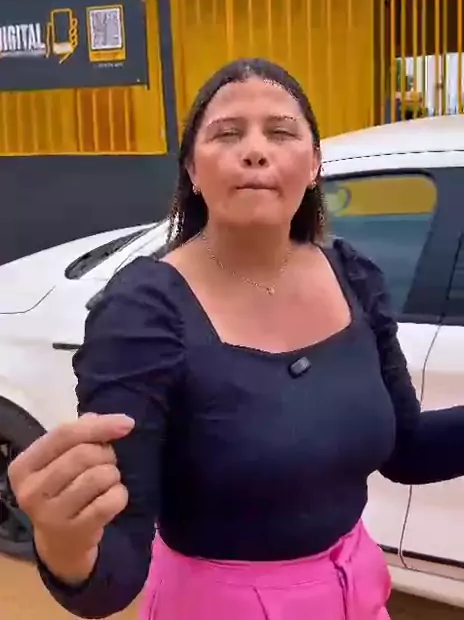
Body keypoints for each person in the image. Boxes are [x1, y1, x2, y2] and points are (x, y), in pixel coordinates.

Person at [8, 58, 464, 620]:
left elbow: (407, 449)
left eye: (281, 132)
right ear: (192, 171)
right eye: (227, 133)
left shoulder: (354, 277)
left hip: (360, 596)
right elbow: (114, 574)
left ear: (314, 165)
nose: (254, 150)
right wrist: (65, 545)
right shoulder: (141, 314)